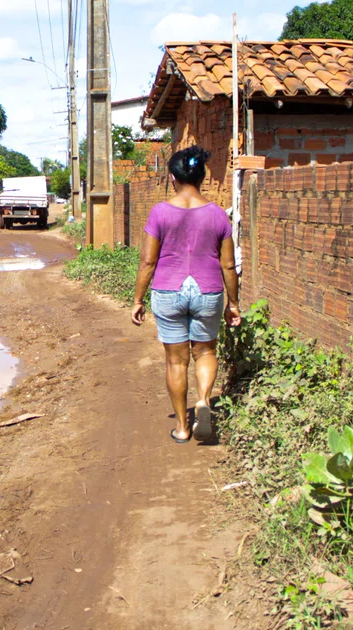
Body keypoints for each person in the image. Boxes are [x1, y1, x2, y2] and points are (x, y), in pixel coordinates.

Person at [130, 146, 241, 443]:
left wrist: (138, 300)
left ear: (172, 177)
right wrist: (233, 303)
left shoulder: (160, 212)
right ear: (202, 177)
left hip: (168, 289)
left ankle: (182, 426)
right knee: (205, 351)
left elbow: (148, 261)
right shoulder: (218, 215)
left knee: (176, 362)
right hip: (207, 290)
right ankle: (204, 399)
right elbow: (228, 264)